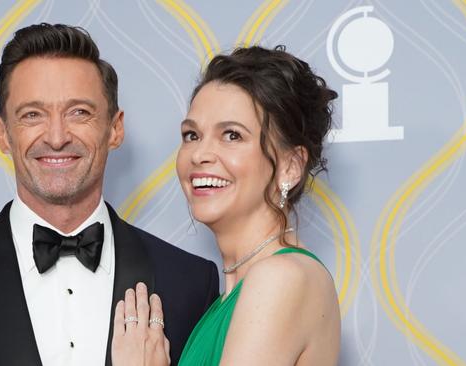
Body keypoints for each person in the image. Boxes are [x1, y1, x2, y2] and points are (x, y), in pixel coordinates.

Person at [0, 23, 219, 366]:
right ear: (2, 133)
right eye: (32, 115)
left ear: (115, 128)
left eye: (79, 113)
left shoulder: (191, 283)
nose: (57, 137)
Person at [111, 45, 341, 365]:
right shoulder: (230, 298)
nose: (200, 154)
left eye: (232, 135)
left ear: (290, 165)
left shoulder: (280, 278)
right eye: (192, 135)